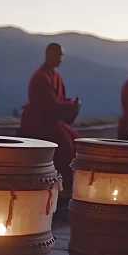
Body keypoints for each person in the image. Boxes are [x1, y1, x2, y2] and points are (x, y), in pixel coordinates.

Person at [19, 43, 80, 186]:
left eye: (62, 55)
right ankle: (58, 184)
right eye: (59, 55)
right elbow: (48, 105)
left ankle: (69, 184)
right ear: (49, 55)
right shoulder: (41, 76)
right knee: (66, 147)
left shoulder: (55, 76)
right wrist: (69, 107)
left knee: (77, 142)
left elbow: (59, 100)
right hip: (39, 121)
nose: (61, 59)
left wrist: (71, 105)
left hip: (52, 120)